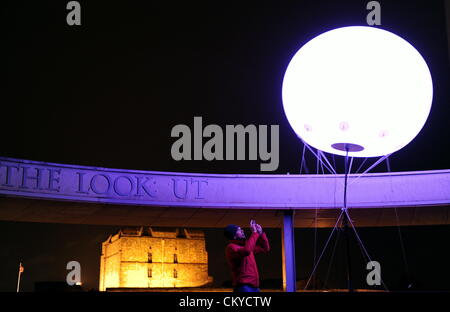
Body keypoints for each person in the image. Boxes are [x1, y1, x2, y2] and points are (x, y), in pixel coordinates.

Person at [224, 219, 270, 292]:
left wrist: (261, 233)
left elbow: (265, 248)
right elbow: (247, 251)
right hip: (243, 287)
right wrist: (254, 233)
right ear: (234, 236)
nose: (242, 230)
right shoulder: (231, 247)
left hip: (255, 287)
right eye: (239, 230)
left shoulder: (246, 246)